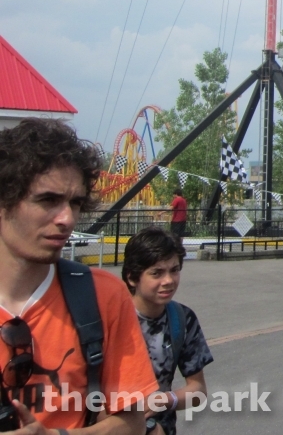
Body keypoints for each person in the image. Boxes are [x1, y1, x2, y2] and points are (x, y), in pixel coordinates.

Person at [0, 118, 159, 433]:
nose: (67, 219)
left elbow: (132, 421)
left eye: (75, 203)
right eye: (48, 200)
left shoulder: (102, 296)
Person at [122, 227, 214, 435]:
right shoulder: (111, 319)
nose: (169, 281)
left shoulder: (182, 319)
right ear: (132, 278)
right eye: (156, 273)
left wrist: (164, 400)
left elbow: (197, 390)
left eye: (174, 270)